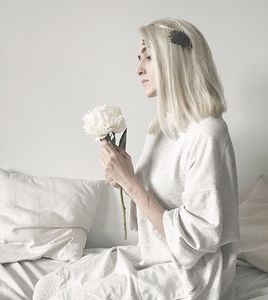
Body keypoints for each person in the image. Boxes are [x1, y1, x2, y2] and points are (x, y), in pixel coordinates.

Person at [33, 17, 240, 300]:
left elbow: (199, 237)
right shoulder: (162, 129)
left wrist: (131, 183)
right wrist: (122, 176)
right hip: (153, 254)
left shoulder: (209, 133)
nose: (138, 68)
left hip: (192, 273)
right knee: (50, 285)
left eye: (148, 57)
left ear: (174, 61)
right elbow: (158, 202)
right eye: (138, 58)